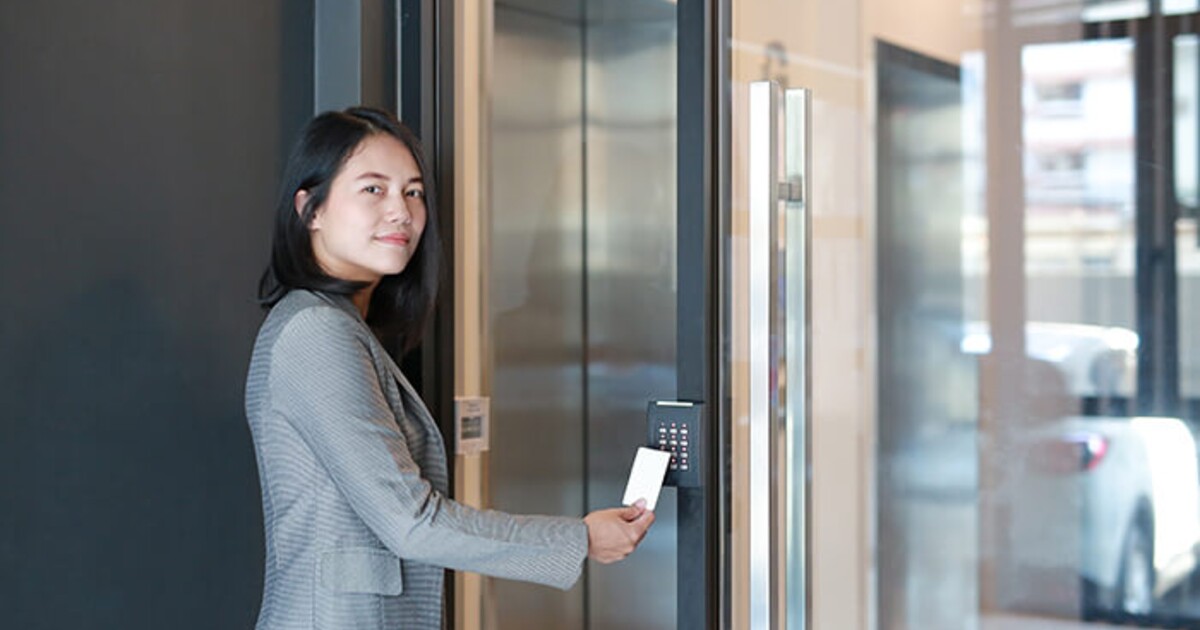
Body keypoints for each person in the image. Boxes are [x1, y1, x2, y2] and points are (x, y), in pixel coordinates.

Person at [244, 106, 655, 629]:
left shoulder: (338, 327)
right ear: (311, 209)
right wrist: (580, 539)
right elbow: (409, 521)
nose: (401, 212)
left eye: (413, 192)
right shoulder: (315, 333)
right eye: (373, 189)